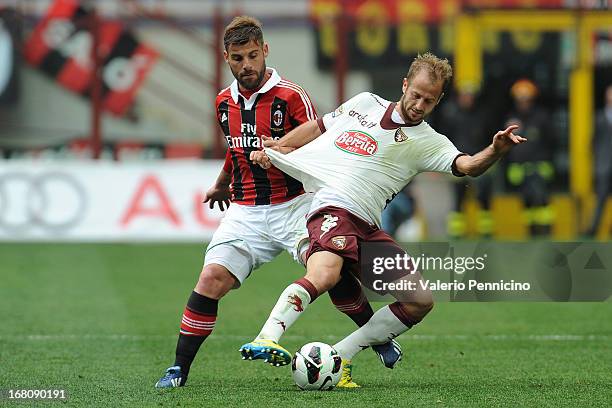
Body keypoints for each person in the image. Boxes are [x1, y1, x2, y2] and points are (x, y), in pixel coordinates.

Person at [242, 53, 526, 375]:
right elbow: (319, 127)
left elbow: (468, 166)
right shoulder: (365, 103)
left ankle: (338, 355)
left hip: (368, 225)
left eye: (429, 101)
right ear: (404, 85)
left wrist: (495, 150)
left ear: (439, 101)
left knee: (419, 300)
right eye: (415, 95)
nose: (419, 104)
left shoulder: (429, 142)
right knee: (325, 273)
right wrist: (280, 146)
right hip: (332, 207)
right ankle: (267, 336)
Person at [155, 16, 394, 389]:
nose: (246, 65)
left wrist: (281, 150)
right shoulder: (223, 103)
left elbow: (321, 144)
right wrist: (221, 185)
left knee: (329, 272)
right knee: (211, 278)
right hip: (246, 212)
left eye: (252, 55)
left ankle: (378, 337)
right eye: (237, 58)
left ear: (265, 50)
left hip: (296, 205)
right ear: (226, 58)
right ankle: (178, 369)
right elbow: (236, 150)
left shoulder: (291, 96)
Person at [436, 87, 494, 238]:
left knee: (483, 198)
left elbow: (490, 138)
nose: (467, 99)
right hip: (458, 162)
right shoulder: (451, 115)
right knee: (458, 198)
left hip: (479, 161)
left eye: (469, 95)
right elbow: (443, 139)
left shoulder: (482, 116)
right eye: (464, 95)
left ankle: (486, 231)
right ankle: (457, 233)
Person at [503, 79, 556, 236]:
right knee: (526, 200)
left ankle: (546, 230)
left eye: (526, 99)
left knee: (542, 198)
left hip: (540, 167)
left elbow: (552, 140)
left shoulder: (542, 117)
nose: (523, 102)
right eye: (520, 99)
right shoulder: (511, 119)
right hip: (519, 169)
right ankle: (531, 230)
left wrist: (545, 161)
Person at [588, 84, 612, 236]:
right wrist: (597, 161)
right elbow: (593, 141)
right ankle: (593, 229)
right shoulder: (599, 117)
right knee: (601, 198)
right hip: (604, 165)